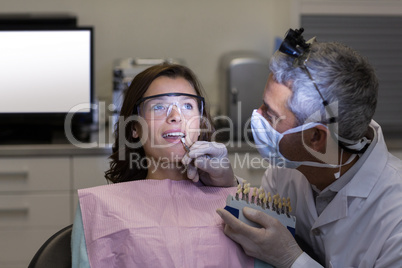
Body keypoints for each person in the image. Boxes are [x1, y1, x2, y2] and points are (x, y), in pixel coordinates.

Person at [213, 28, 402, 267]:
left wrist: (293, 260)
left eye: (270, 114)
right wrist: (231, 186)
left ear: (315, 138)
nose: (256, 116)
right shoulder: (288, 166)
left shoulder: (395, 219)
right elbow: (264, 221)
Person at [71, 63, 248, 267]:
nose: (175, 116)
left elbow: (274, 247)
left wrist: (231, 184)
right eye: (159, 106)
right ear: (134, 128)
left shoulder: (233, 197)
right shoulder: (99, 207)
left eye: (187, 106)